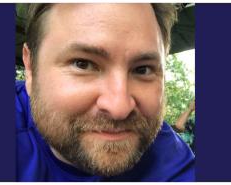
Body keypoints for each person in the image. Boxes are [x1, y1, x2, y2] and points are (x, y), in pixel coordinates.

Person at [16, 3, 195, 181]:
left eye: (143, 70)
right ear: (31, 68)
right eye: (82, 64)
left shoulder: (174, 165)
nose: (119, 108)